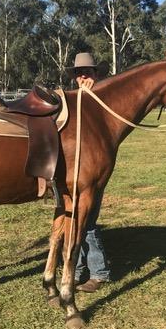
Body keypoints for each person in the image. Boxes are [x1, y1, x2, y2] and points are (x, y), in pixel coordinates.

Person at [65, 52, 111, 293]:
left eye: (88, 72)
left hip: (92, 170)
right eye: (79, 73)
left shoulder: (103, 100)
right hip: (72, 170)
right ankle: (77, 270)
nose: (83, 77)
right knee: (72, 221)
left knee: (88, 222)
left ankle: (98, 272)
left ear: (96, 74)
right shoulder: (71, 101)